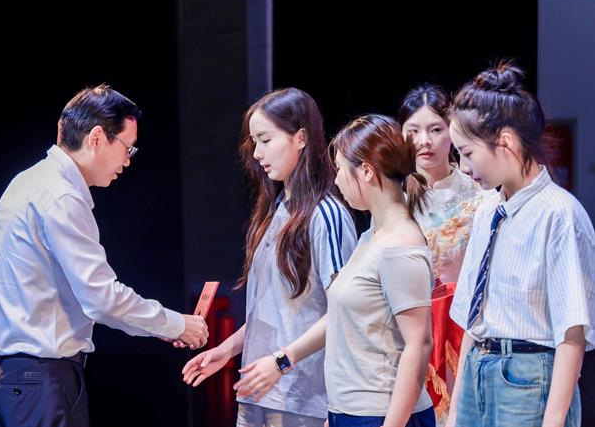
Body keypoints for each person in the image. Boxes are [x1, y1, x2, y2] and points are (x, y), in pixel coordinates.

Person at [0, 85, 208, 427]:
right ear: (97, 138)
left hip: (15, 378)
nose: (128, 160)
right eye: (127, 147)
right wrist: (176, 323)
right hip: (42, 380)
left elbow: (89, 298)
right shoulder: (62, 198)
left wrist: (157, 327)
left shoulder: (28, 182)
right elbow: (102, 299)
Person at [234, 114, 436, 427]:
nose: (337, 180)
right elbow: (343, 318)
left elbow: (419, 344)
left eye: (340, 169)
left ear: (366, 171)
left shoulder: (400, 243)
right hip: (351, 410)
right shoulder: (372, 236)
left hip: (381, 413)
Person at [182, 87, 357, 426]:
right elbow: (274, 311)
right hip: (257, 392)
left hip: (303, 399)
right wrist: (225, 350)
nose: (257, 152)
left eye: (265, 139)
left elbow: (345, 311)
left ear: (301, 138)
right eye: (253, 142)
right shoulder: (277, 209)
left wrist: (281, 362)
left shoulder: (326, 215)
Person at [446, 62, 595, 427]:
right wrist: (456, 412)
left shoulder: (559, 214)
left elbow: (573, 333)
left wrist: (554, 421)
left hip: (528, 378)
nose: (463, 166)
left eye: (467, 152)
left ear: (506, 143)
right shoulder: (487, 211)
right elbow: (473, 321)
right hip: (477, 369)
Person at [398, 85, 494, 421]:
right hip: (407, 325)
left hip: (461, 324)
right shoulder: (393, 197)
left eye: (436, 130)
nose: (424, 141)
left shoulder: (479, 195)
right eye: (414, 131)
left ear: (452, 132)